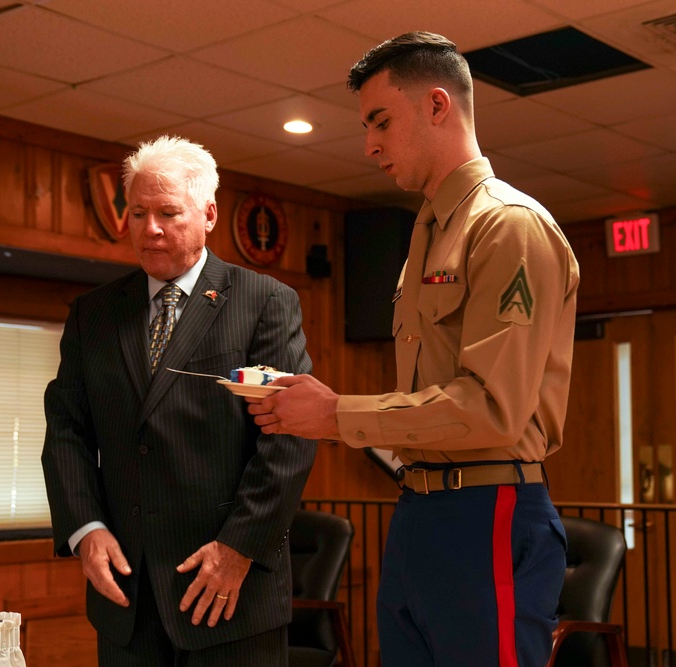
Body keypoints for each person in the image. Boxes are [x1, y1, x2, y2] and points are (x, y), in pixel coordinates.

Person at [248, 32, 580, 667]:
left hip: (488, 507)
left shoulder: (507, 225)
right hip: (420, 506)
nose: (369, 144)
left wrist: (337, 415)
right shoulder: (426, 236)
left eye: (380, 121)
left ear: (436, 105)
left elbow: (492, 408)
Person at [42, 135, 316, 666]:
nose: (150, 229)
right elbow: (67, 431)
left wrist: (239, 548)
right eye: (138, 212)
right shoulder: (93, 314)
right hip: (127, 594)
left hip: (229, 590)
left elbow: (286, 439)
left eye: (168, 212)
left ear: (209, 213)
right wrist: (84, 529)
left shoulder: (264, 303)